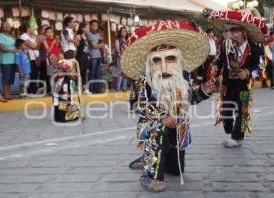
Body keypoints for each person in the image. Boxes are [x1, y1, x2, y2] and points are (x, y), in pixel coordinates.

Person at [121, 20, 215, 192]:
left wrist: (204, 91)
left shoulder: (184, 76)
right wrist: (163, 117)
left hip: (179, 125)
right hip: (155, 124)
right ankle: (149, 175)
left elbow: (189, 99)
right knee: (158, 131)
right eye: (157, 60)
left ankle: (148, 158)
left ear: (178, 59)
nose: (164, 66)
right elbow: (140, 104)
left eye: (170, 58)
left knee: (175, 171)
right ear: (150, 63)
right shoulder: (145, 80)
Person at [209, 10, 268, 147]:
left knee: (242, 112)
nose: (230, 35)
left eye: (234, 31)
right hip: (227, 85)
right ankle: (230, 128)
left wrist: (248, 72)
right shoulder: (224, 45)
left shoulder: (255, 49)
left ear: (243, 31)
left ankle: (237, 138)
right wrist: (215, 68)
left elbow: (261, 68)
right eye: (227, 31)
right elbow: (218, 60)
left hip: (244, 87)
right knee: (226, 114)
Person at [0, 21, 20, 100]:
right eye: (4, 25)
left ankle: (8, 94)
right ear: (1, 27)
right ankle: (6, 94)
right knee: (6, 78)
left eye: (8, 25)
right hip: (6, 60)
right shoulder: (1, 36)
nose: (7, 26)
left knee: (10, 78)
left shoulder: (12, 36)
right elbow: (2, 49)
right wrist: (15, 51)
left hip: (13, 60)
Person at [20, 23, 41, 95]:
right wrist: (35, 46)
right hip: (29, 58)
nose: (32, 29)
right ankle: (29, 91)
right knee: (30, 75)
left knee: (35, 74)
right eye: (31, 27)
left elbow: (38, 45)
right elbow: (34, 46)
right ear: (28, 28)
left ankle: (34, 90)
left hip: (34, 58)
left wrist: (35, 36)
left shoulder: (31, 36)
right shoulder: (24, 36)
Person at [87, 20, 105, 93]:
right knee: (92, 73)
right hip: (92, 56)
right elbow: (93, 46)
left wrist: (97, 45)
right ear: (90, 26)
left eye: (96, 25)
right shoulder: (89, 34)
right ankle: (91, 89)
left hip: (99, 56)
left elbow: (103, 45)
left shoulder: (98, 35)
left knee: (98, 73)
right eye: (93, 25)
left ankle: (97, 89)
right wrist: (98, 45)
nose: (95, 27)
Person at [43, 26, 61, 94]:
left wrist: (57, 42)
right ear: (45, 34)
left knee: (60, 74)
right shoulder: (45, 41)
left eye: (51, 32)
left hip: (57, 59)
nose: (50, 33)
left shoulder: (55, 40)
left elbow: (58, 50)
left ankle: (58, 89)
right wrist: (53, 43)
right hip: (50, 59)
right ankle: (52, 90)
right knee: (51, 75)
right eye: (48, 32)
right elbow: (48, 50)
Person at [75, 23, 90, 93]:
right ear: (83, 28)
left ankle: (84, 88)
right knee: (79, 71)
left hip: (85, 55)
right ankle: (76, 87)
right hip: (80, 55)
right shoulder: (78, 36)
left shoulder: (86, 37)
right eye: (87, 27)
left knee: (84, 72)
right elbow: (75, 47)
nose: (88, 29)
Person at [115, 27, 128, 91]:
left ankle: (124, 88)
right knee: (120, 74)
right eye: (122, 31)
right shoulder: (118, 40)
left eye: (125, 31)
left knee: (125, 74)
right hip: (120, 57)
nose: (124, 33)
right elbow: (117, 50)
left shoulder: (127, 40)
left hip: (126, 58)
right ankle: (118, 88)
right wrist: (120, 56)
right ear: (120, 32)